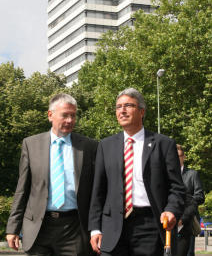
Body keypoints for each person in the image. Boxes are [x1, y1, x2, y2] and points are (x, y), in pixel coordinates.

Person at [88, 87, 185, 256]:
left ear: (142, 111)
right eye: (118, 107)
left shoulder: (163, 144)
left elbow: (177, 188)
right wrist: (95, 228)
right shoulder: (106, 145)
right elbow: (98, 191)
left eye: (128, 106)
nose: (122, 111)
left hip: (150, 227)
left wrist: (171, 210)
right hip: (113, 229)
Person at [6, 93, 98, 256]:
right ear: (50, 115)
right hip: (39, 229)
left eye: (73, 115)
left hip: (74, 229)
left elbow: (97, 191)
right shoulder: (31, 144)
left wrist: (97, 228)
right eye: (65, 115)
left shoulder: (89, 146)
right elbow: (22, 189)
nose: (70, 120)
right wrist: (13, 227)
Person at [176, 144, 205, 256]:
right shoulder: (166, 175)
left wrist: (187, 202)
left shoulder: (192, 174)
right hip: (171, 219)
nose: (177, 158)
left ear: (184, 157)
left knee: (188, 252)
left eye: (179, 156)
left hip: (188, 220)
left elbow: (200, 196)